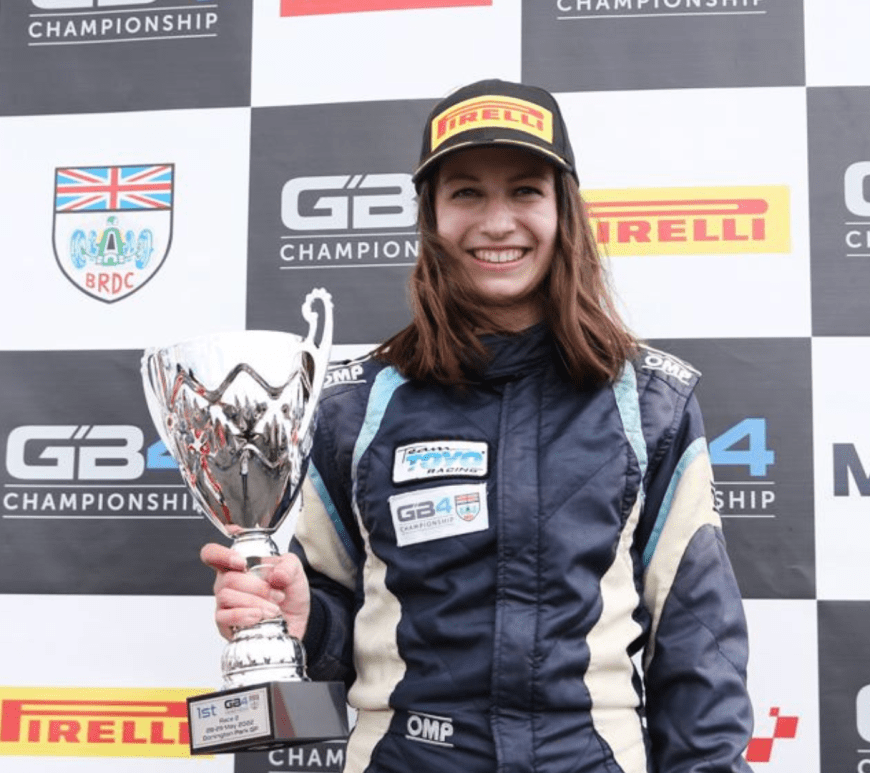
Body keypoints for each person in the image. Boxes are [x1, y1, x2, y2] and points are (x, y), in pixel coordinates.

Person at [202, 79, 754, 773]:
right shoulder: (353, 406)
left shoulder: (649, 402)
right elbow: (332, 635)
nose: (497, 222)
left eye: (525, 190)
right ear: (430, 215)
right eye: (466, 192)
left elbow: (697, 641)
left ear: (563, 212)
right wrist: (302, 619)